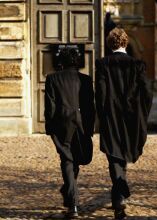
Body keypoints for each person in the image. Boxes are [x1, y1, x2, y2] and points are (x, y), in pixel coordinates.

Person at [95, 28, 153, 220]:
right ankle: (119, 194)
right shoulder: (137, 64)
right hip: (131, 117)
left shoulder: (103, 64)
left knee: (114, 155)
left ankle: (119, 196)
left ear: (110, 44)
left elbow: (101, 92)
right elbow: (147, 92)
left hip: (111, 115)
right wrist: (142, 112)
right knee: (122, 154)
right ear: (126, 43)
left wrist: (101, 114)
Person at [44, 48, 95, 218]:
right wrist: (90, 127)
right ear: (77, 61)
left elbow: (50, 107)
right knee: (72, 160)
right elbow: (90, 107)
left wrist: (49, 128)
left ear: (61, 62)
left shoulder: (52, 78)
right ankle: (70, 192)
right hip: (81, 123)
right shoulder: (86, 80)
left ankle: (72, 202)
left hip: (61, 124)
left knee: (68, 160)